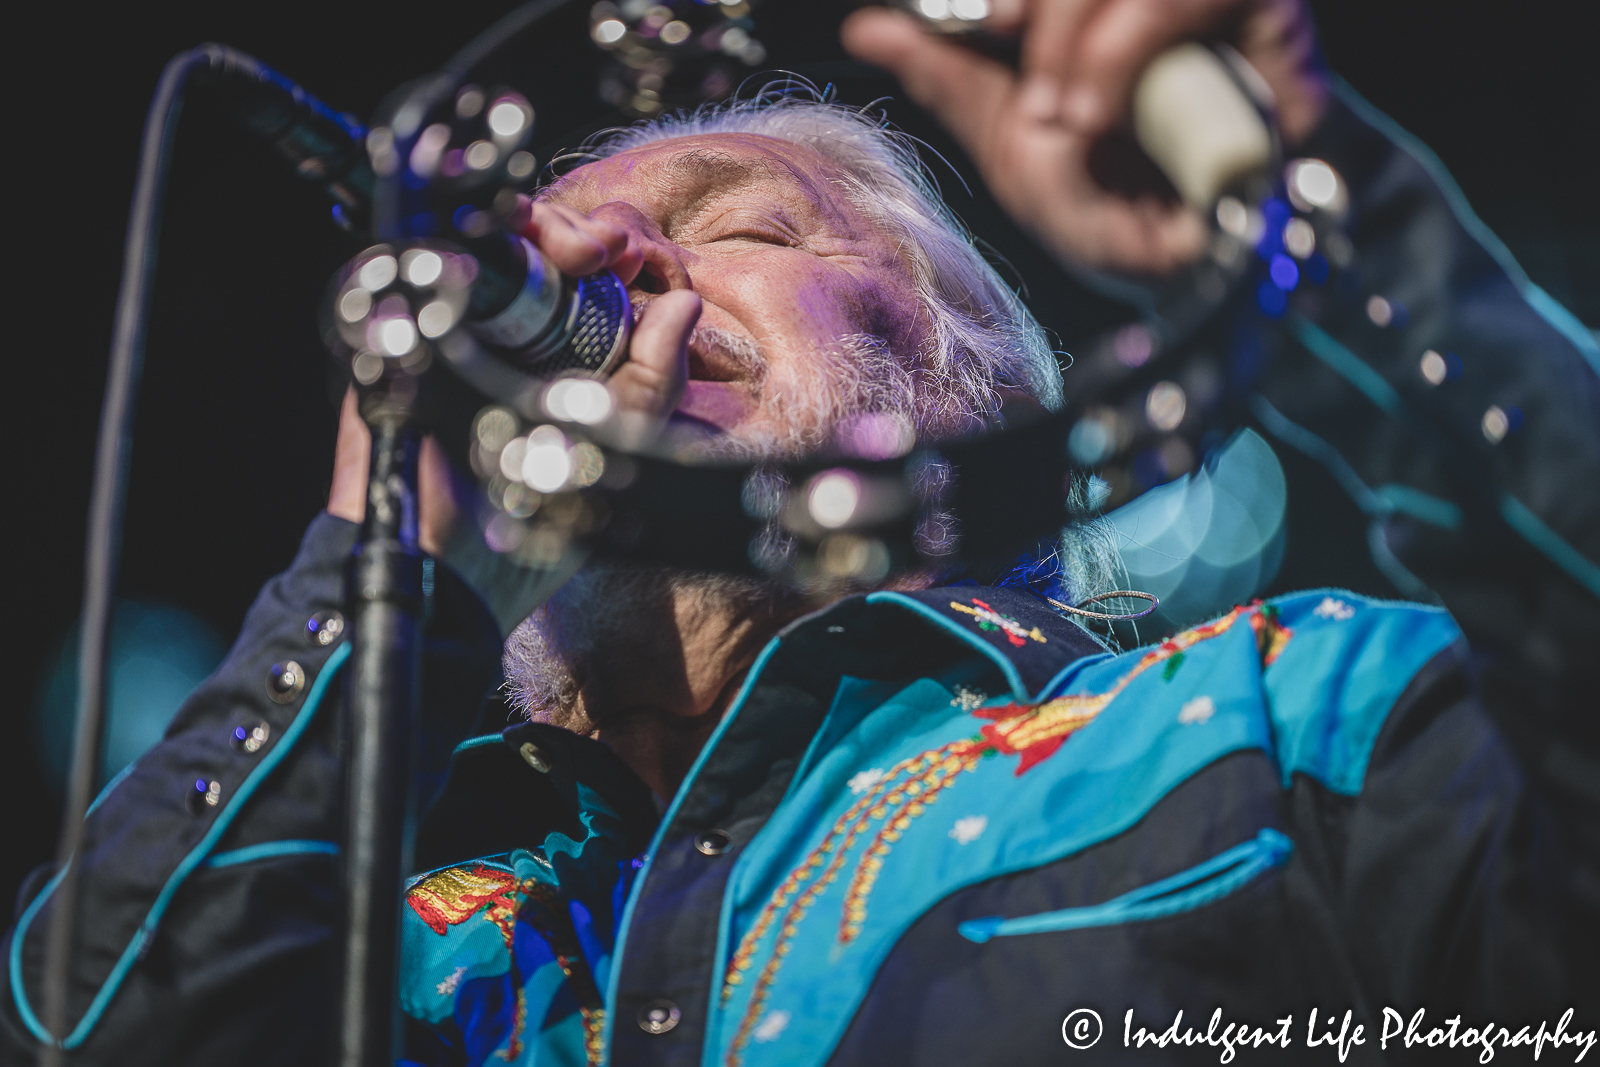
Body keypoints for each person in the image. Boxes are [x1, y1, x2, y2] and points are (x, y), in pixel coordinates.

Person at [6, 0, 1597, 1063]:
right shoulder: (398, 953)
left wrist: (1328, 240)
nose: (617, 275)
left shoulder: (1273, 721)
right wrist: (384, 567)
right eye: (579, 263)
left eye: (741, 227)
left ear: (959, 381)